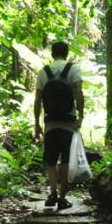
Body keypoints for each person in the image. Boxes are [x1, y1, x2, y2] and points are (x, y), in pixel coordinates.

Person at [34, 40, 84, 209]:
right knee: (66, 160)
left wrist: (36, 123)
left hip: (50, 123)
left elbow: (38, 100)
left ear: (52, 54)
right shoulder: (73, 70)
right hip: (68, 122)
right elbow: (78, 93)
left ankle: (52, 193)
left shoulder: (43, 72)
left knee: (51, 160)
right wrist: (81, 116)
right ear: (67, 53)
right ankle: (62, 197)